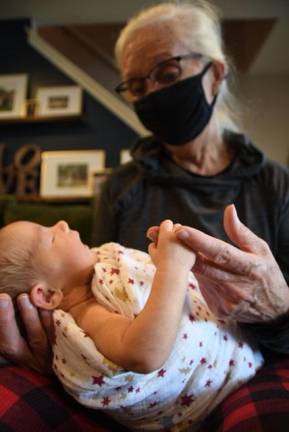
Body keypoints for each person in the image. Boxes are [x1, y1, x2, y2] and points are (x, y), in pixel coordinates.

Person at [0, 0, 289, 429]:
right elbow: (84, 295)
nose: (152, 94)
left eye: (167, 75)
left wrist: (279, 311)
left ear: (215, 73)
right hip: (149, 385)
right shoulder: (123, 187)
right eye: (136, 85)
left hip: (244, 364)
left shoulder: (273, 184)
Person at [0, 219, 263, 431]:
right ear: (47, 295)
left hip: (250, 336)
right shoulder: (88, 315)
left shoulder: (103, 263)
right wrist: (173, 266)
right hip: (223, 389)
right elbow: (144, 354)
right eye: (51, 237)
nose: (61, 223)